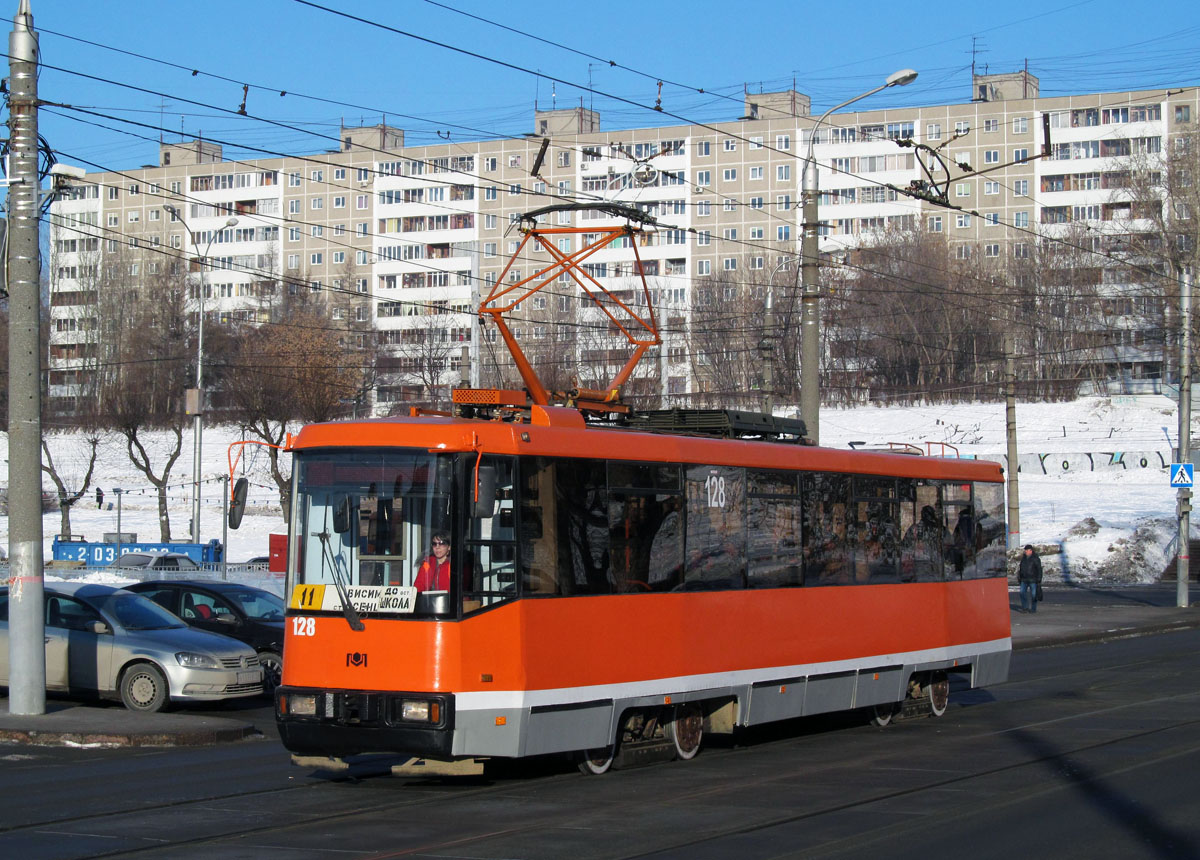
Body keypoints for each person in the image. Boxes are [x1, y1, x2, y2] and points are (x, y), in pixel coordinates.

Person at [1018, 544, 1043, 612]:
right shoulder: (1023, 558)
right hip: (1024, 579)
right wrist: (1019, 576)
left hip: (1033, 579)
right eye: (1025, 550)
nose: (1025, 551)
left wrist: (1039, 579)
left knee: (1034, 595)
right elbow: (1021, 568)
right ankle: (1025, 607)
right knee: (1022, 593)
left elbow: (1039, 569)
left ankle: (1033, 608)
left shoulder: (1035, 558)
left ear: (1031, 550)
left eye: (1027, 550)